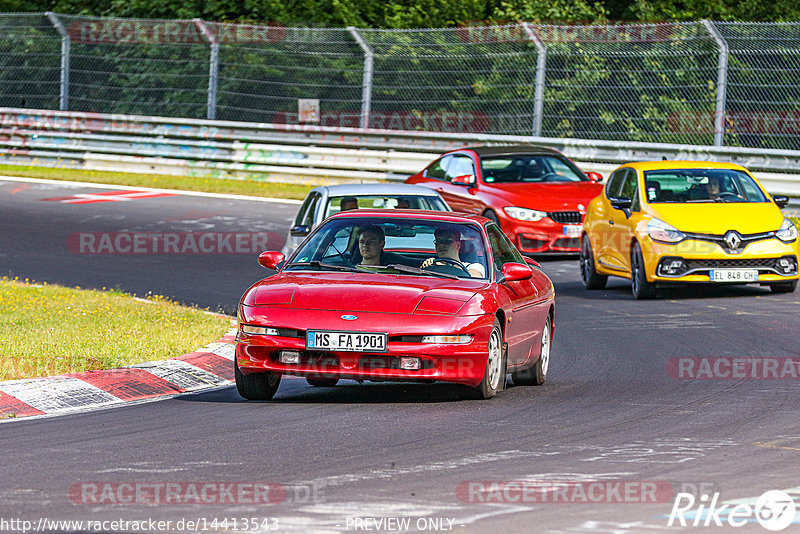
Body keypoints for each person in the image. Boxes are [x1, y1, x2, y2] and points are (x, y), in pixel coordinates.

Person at [421, 228, 486, 278]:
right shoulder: (433, 265)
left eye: (447, 241)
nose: (442, 245)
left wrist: (442, 269)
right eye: (438, 241)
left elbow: (473, 281)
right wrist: (428, 268)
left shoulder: (474, 267)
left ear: (458, 245)